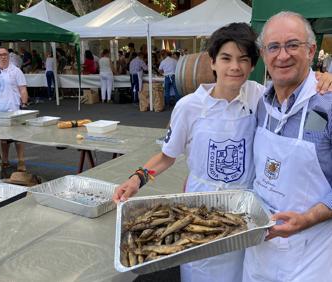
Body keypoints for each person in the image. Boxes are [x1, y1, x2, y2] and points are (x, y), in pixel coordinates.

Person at [113, 22, 332, 282]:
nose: (234, 67)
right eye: (226, 58)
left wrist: (321, 76)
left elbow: (300, 86)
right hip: (198, 218)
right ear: (212, 62)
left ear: (253, 65)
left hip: (242, 218)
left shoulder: (259, 96)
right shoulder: (189, 106)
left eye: (243, 59)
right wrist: (137, 179)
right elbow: (166, 157)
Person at [242, 11, 332, 282]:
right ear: (263, 53)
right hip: (258, 251)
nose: (283, 56)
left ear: (311, 51)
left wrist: (307, 219)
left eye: (293, 45)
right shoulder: (261, 104)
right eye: (274, 47)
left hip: (310, 253)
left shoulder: (327, 106)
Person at [0, 46, 29, 172]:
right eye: (0, 55)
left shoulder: (16, 71)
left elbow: (23, 89)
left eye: (5, 54)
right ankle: (5, 160)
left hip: (13, 109)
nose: (3, 57)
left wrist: (24, 104)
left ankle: (21, 161)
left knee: (17, 137)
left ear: (8, 56)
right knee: (3, 137)